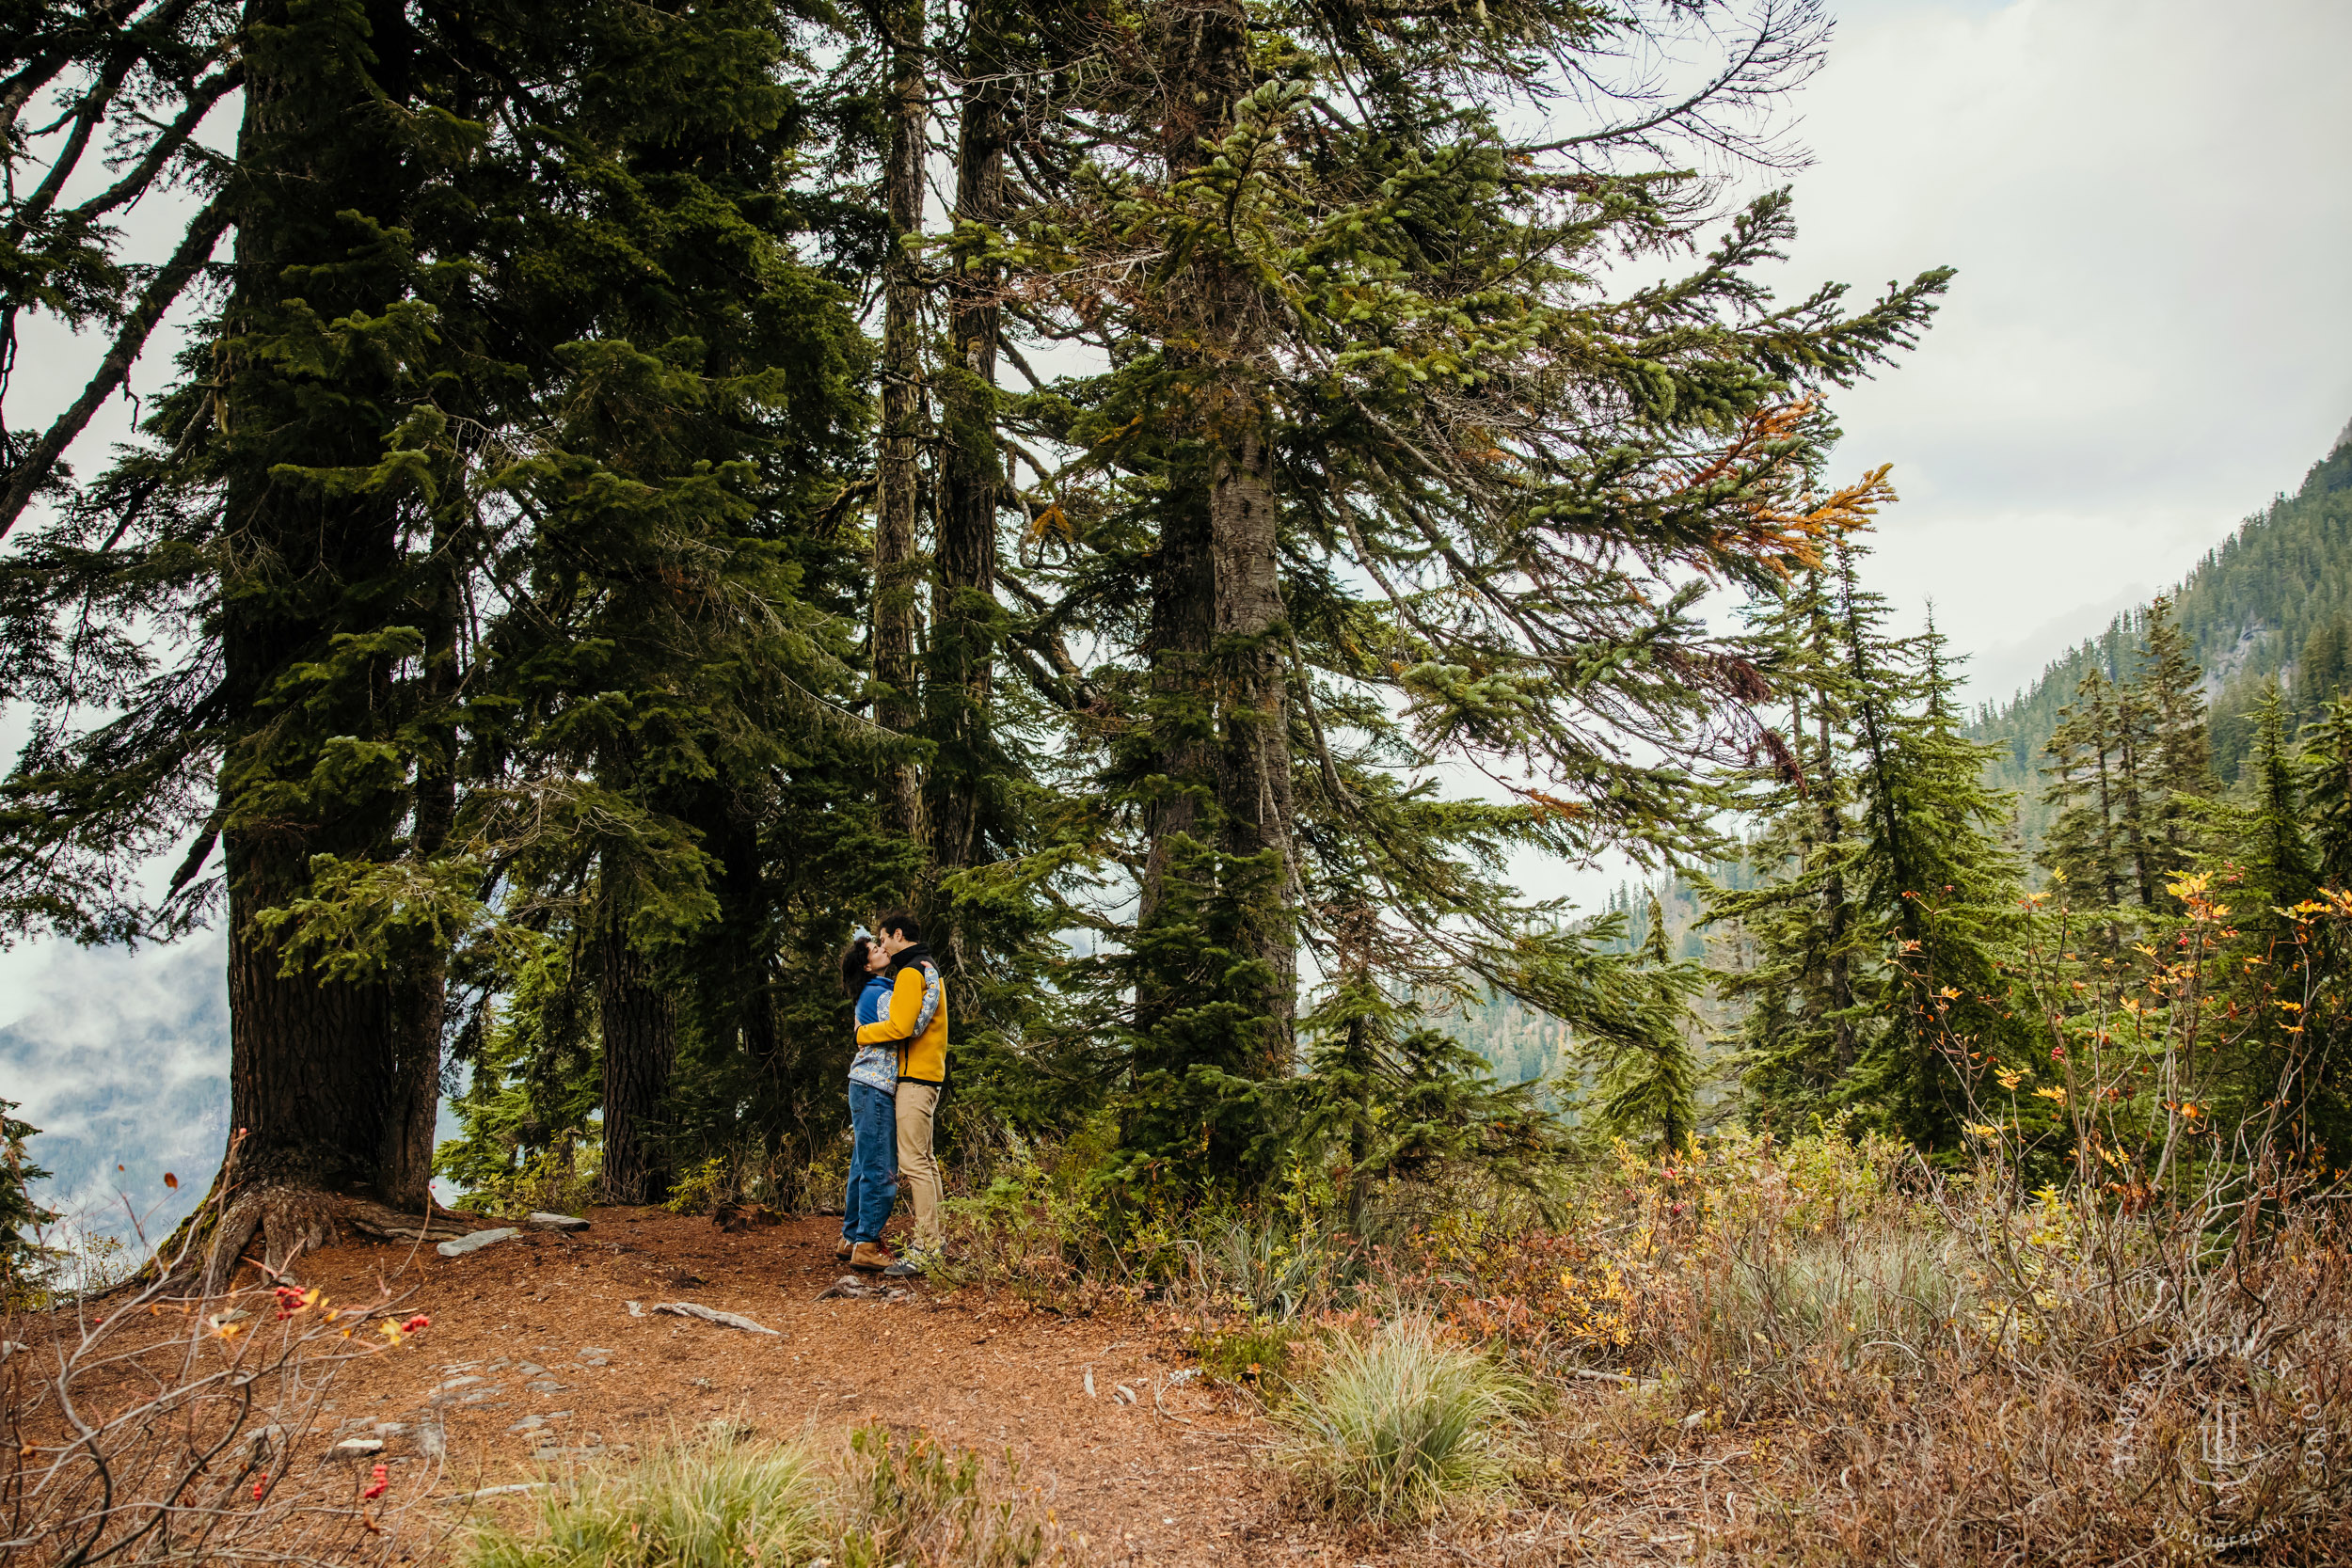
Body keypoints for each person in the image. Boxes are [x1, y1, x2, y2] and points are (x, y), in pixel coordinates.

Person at [856, 910, 946, 1277]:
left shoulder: (910, 972)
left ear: (897, 935)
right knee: (927, 1161)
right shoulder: (929, 967)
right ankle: (936, 1241)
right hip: (930, 1075)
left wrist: (862, 1034)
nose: (881, 946)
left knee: (914, 1164)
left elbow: (901, 1026)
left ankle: (926, 1248)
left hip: (914, 1078)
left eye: (882, 939)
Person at [837, 934, 899, 1272]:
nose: (882, 950)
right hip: (875, 1087)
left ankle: (850, 1238)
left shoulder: (869, 992)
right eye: (876, 950)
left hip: (863, 1085)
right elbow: (906, 1027)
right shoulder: (880, 992)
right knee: (881, 1168)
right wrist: (931, 987)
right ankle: (867, 1244)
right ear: (866, 964)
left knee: (862, 1165)